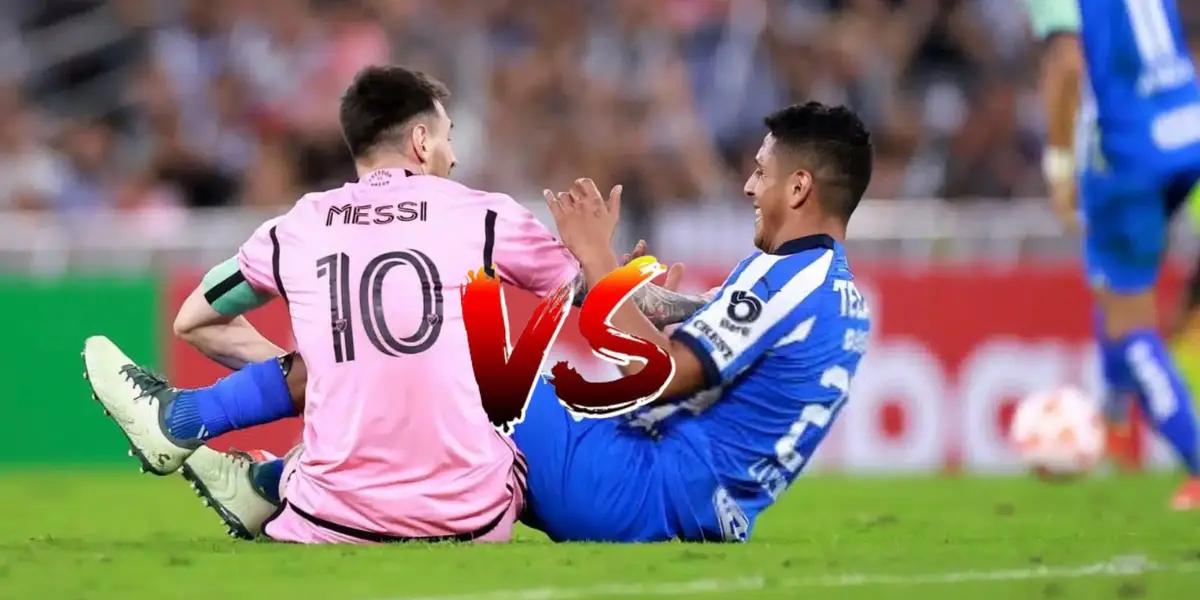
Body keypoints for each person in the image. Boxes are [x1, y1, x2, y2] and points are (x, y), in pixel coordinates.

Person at [101, 101, 873, 543]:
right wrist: (626, 288)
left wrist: (600, 263)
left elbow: (667, 373)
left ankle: (191, 420)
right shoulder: (834, 291)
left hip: (639, 486)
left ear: (801, 185)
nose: (747, 185)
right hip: (680, 495)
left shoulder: (785, 274)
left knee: (431, 332)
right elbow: (703, 347)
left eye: (764, 173)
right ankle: (265, 482)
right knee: (442, 346)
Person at [1026, 0, 1200, 509]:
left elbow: (1067, 62)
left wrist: (1059, 165)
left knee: (1128, 318)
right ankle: (1115, 413)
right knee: (1120, 286)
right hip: (1189, 129)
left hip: (1127, 152)